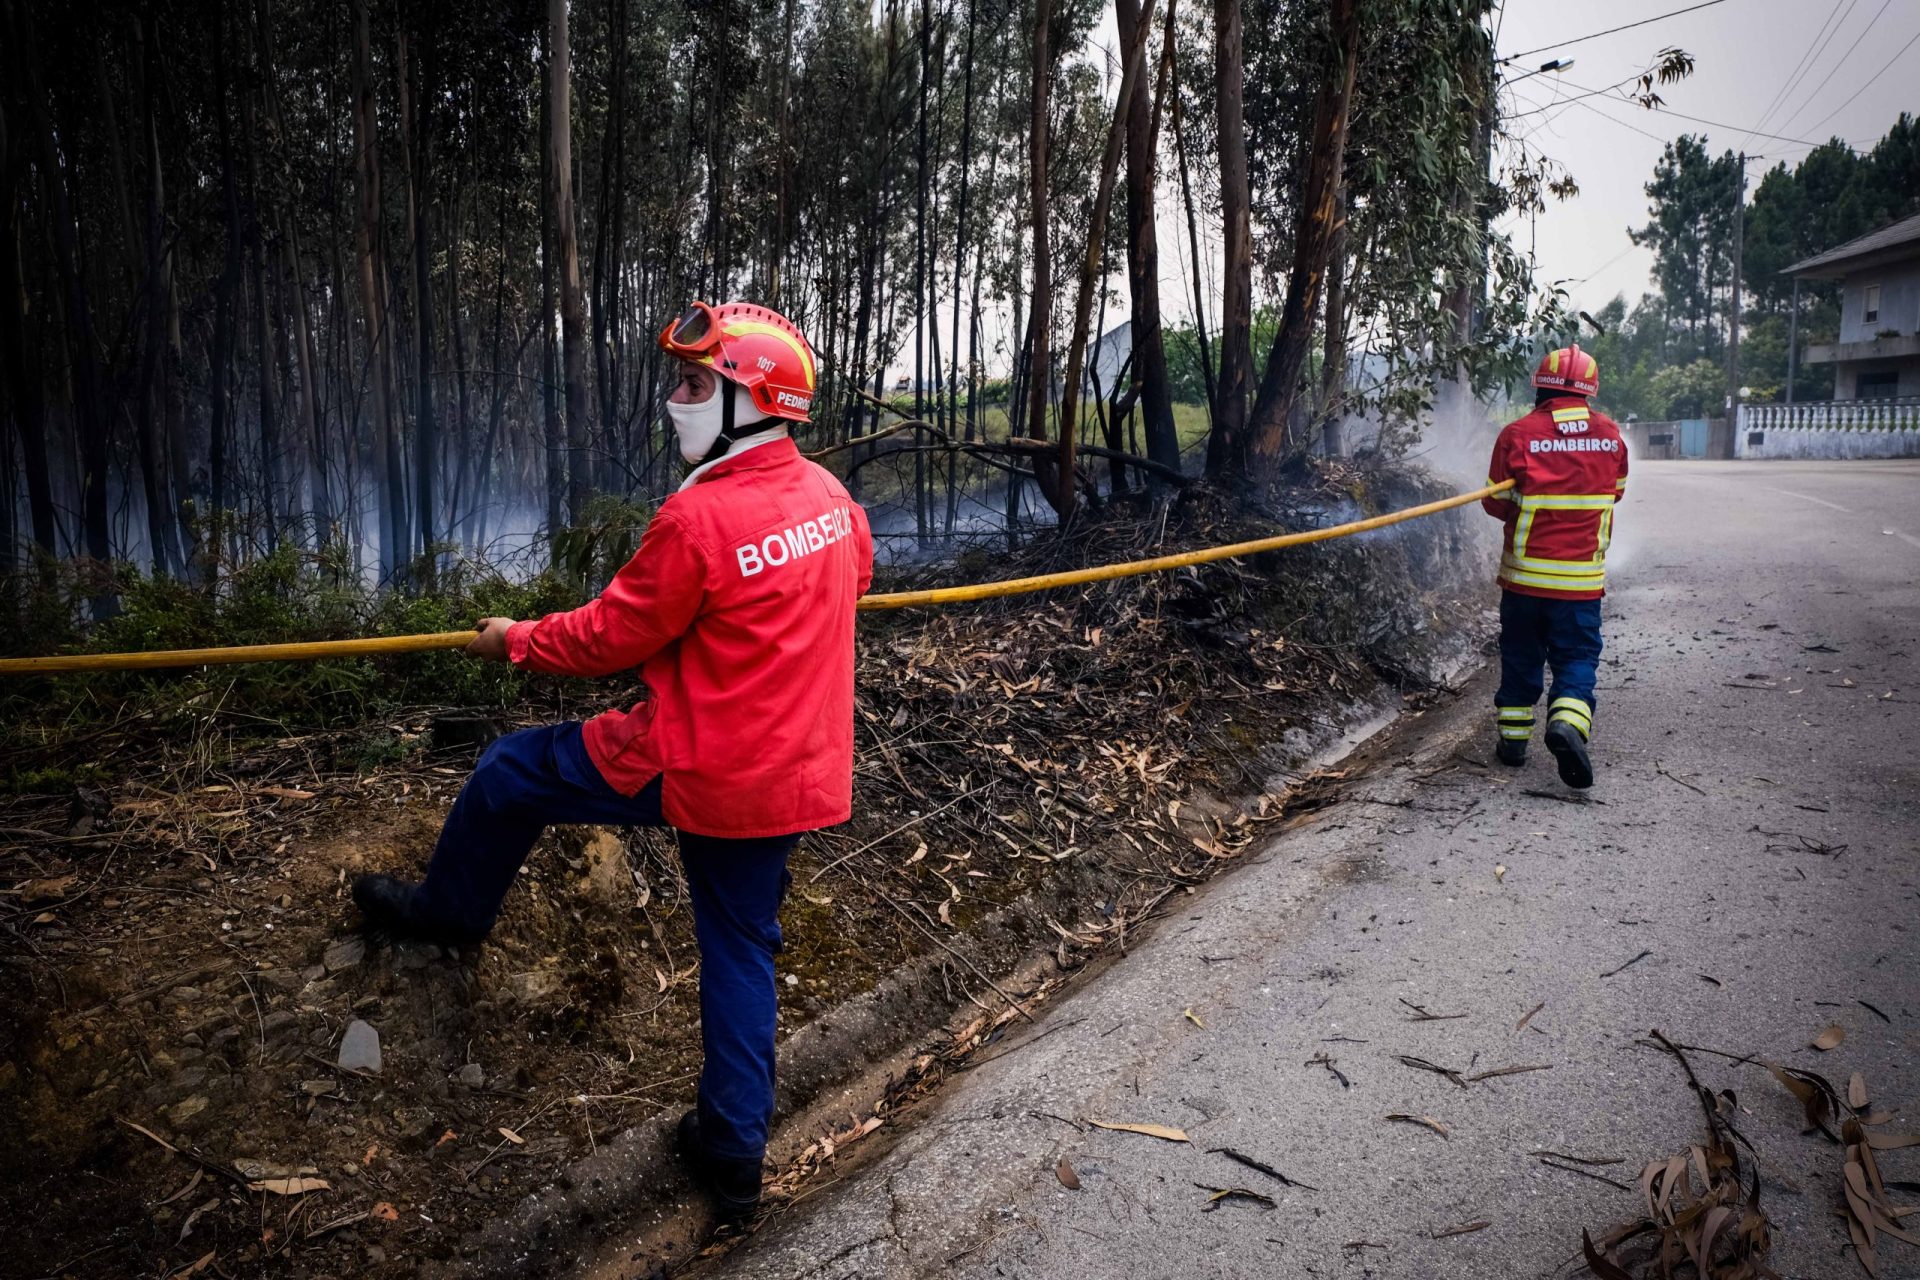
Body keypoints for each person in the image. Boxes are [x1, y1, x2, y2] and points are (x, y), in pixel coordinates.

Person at [351, 301, 874, 1216]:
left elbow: (605, 638)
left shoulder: (698, 520)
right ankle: (733, 1154)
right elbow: (854, 578)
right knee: (742, 945)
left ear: (753, 403)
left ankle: (448, 915)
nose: (677, 400)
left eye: (696, 385)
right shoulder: (834, 500)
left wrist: (514, 639)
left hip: (702, 764)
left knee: (509, 772)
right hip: (800, 771)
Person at [1481, 342, 1628, 790]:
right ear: (1589, 391)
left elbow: (1494, 503)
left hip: (1524, 582)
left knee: (1520, 656)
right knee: (1577, 657)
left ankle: (1513, 743)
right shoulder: (1611, 436)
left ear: (1540, 387)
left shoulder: (1517, 434)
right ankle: (1567, 722)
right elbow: (1616, 492)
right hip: (1579, 587)